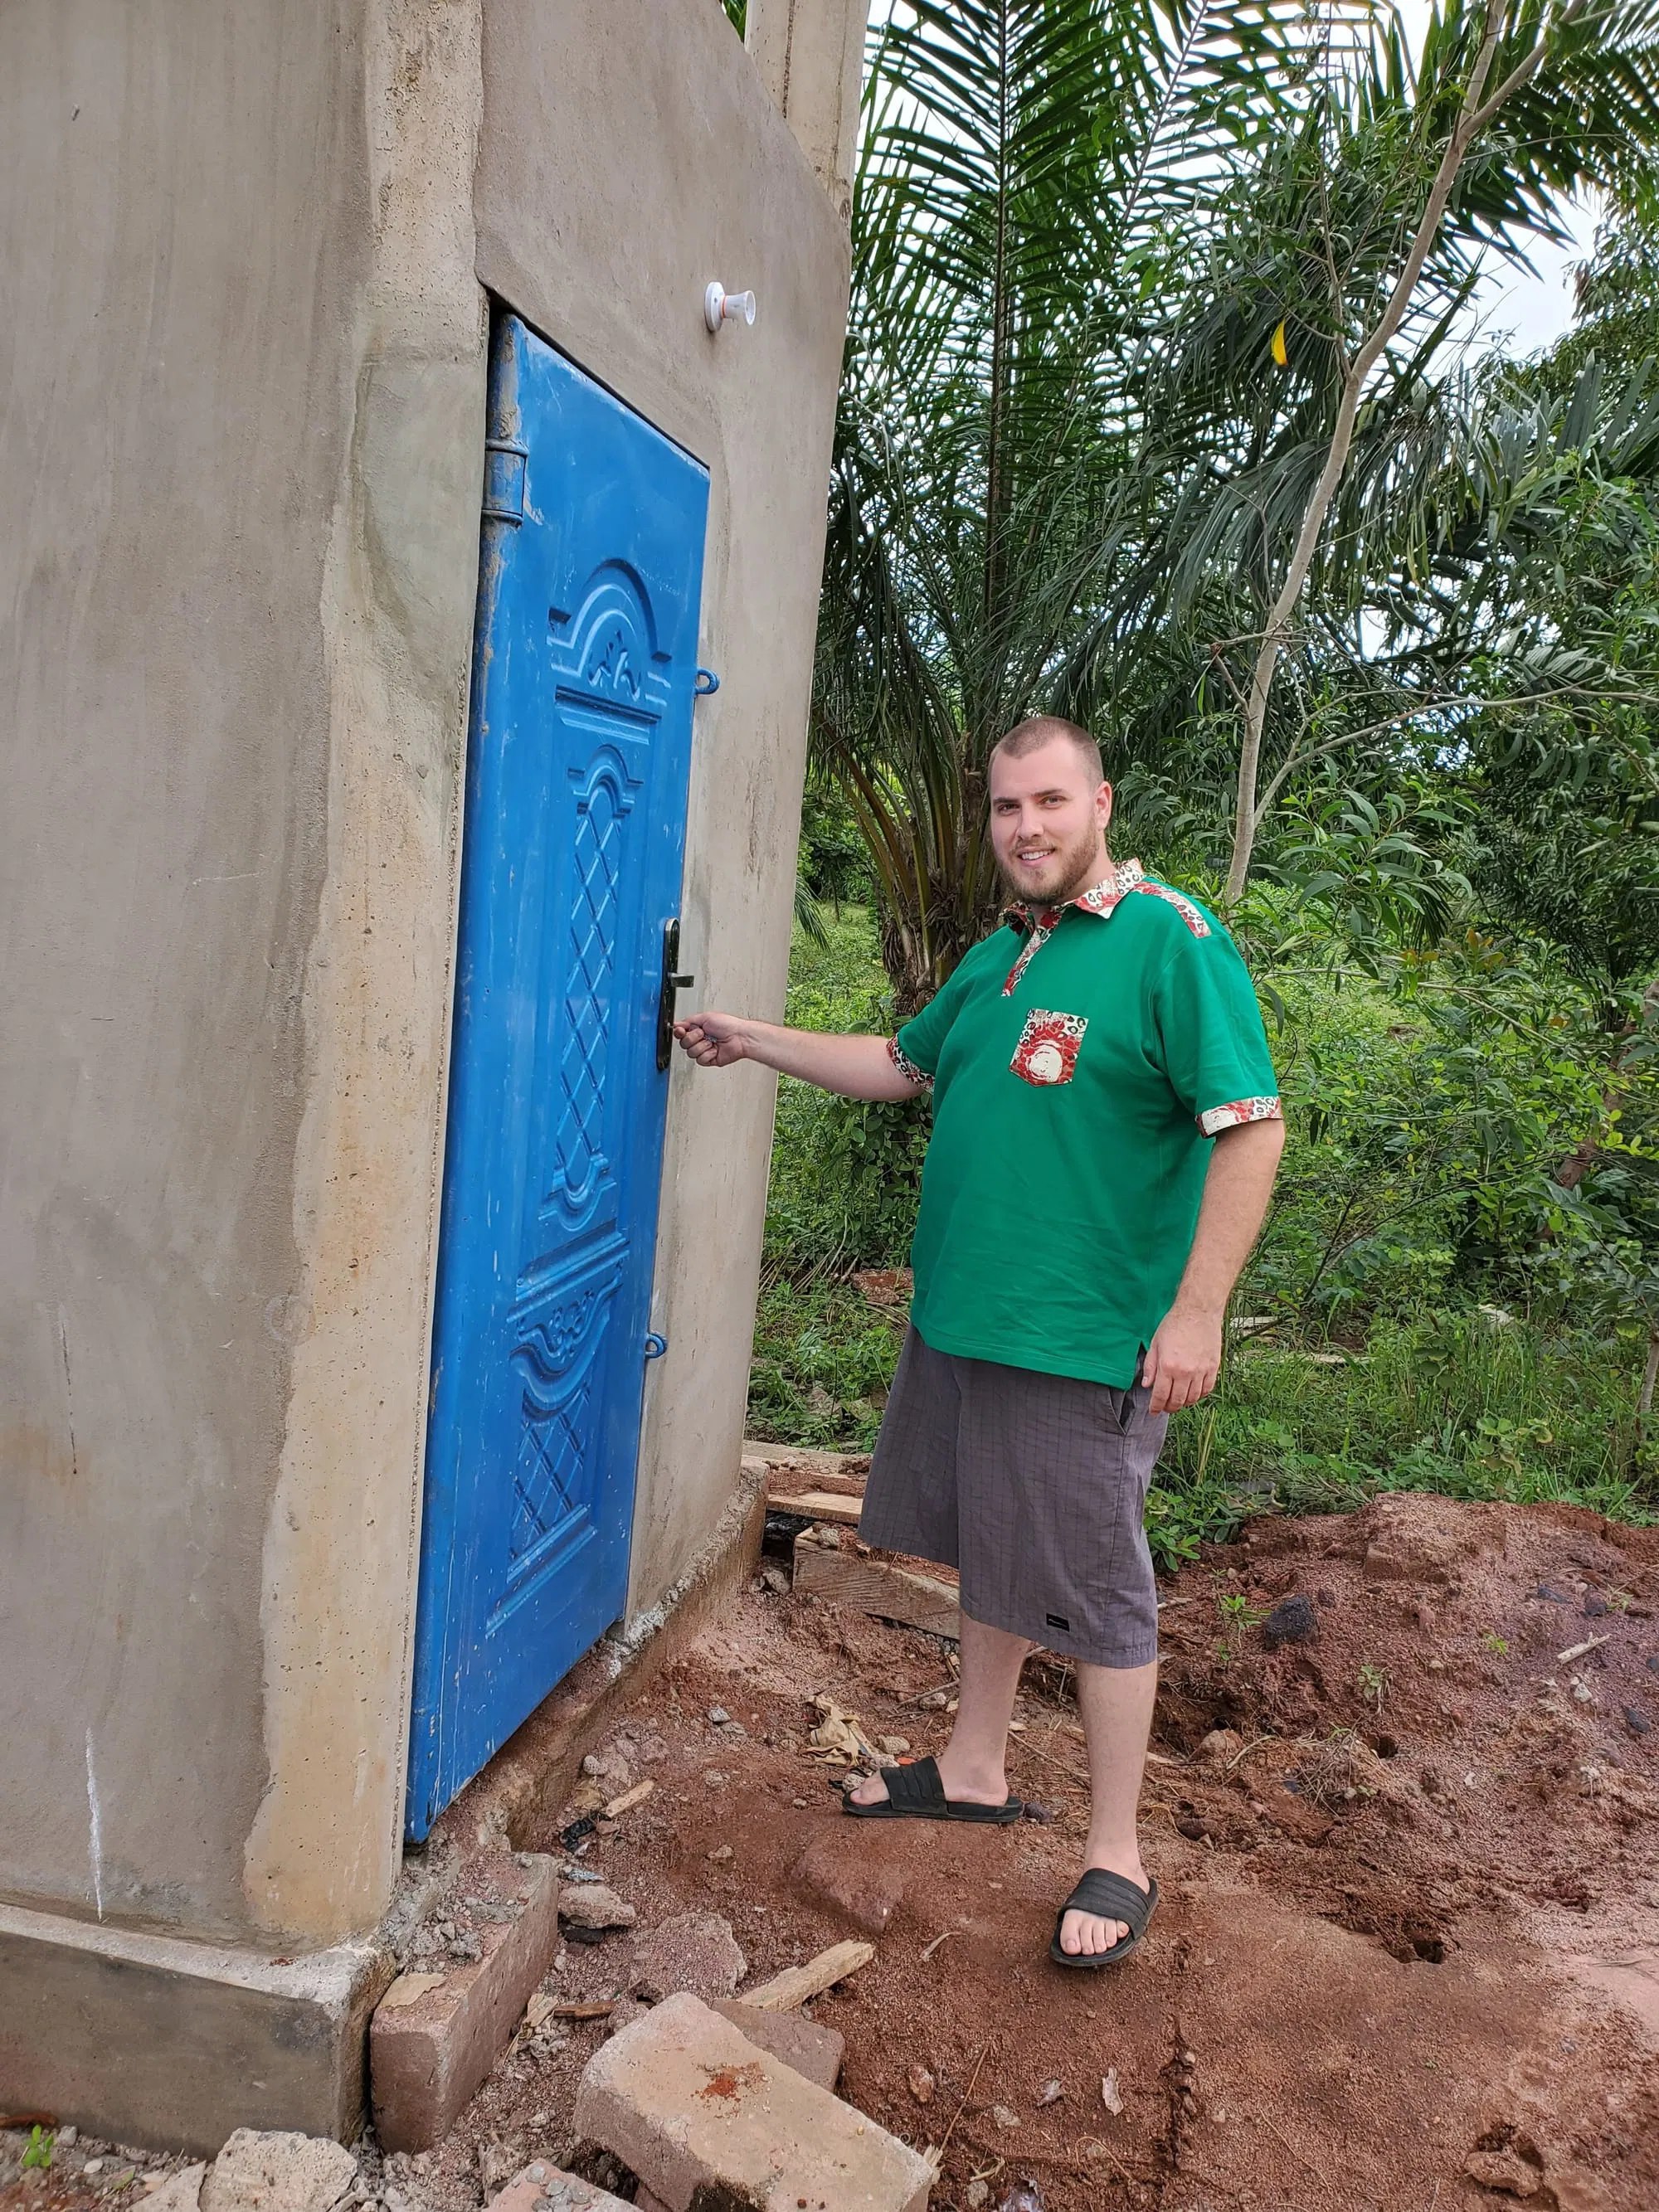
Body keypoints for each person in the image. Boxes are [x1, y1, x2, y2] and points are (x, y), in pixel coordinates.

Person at [674, 717, 1284, 1967]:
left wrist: (1199, 1308)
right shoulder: (1010, 949)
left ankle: (1117, 1850)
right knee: (991, 1551)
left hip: (1083, 1338)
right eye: (1008, 808)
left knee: (1100, 1587)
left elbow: (1250, 1125)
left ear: (1099, 801)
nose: (1027, 829)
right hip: (965, 1320)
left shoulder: (1169, 942)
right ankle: (972, 1764)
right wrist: (752, 1041)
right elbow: (903, 1066)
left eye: (1050, 802)